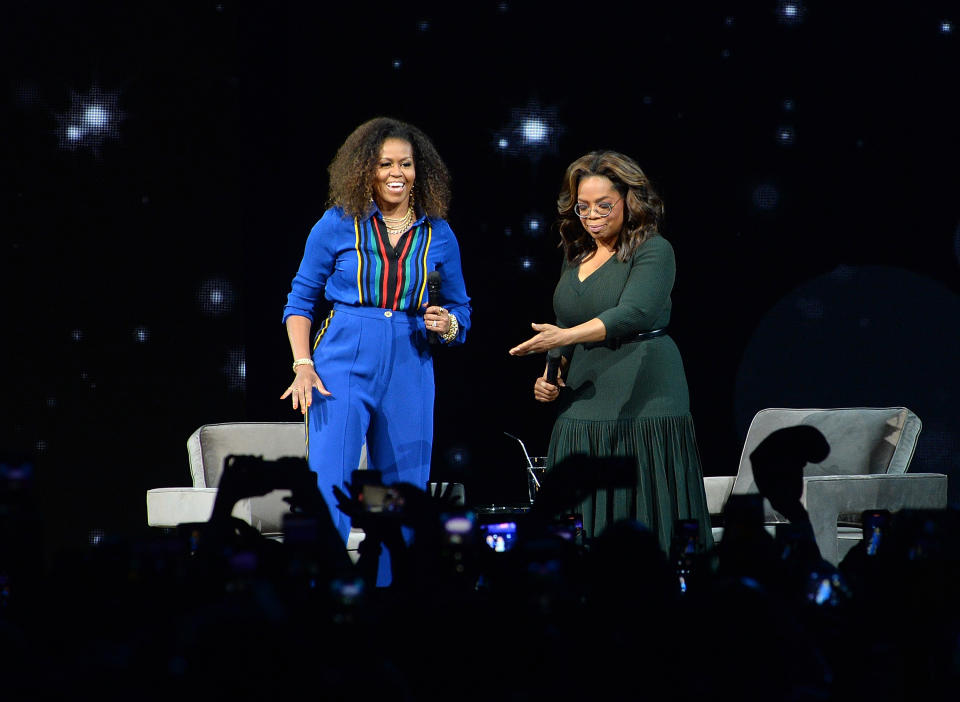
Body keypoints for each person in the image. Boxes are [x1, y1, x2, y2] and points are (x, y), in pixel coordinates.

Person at [280, 116, 471, 583]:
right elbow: (300, 301)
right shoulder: (337, 224)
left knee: (402, 488)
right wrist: (303, 365)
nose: (396, 172)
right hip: (343, 356)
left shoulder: (438, 233)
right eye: (385, 163)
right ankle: (319, 596)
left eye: (405, 163)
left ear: (418, 170)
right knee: (331, 483)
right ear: (366, 169)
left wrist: (446, 323)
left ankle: (394, 598)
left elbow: (461, 311)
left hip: (410, 359)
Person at [509, 150, 712, 554]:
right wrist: (553, 372)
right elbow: (566, 322)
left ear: (629, 202)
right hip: (583, 397)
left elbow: (634, 313)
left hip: (645, 395)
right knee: (578, 516)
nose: (592, 215)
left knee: (644, 510)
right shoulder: (576, 254)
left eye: (604, 205)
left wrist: (562, 340)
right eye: (583, 207)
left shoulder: (654, 250)